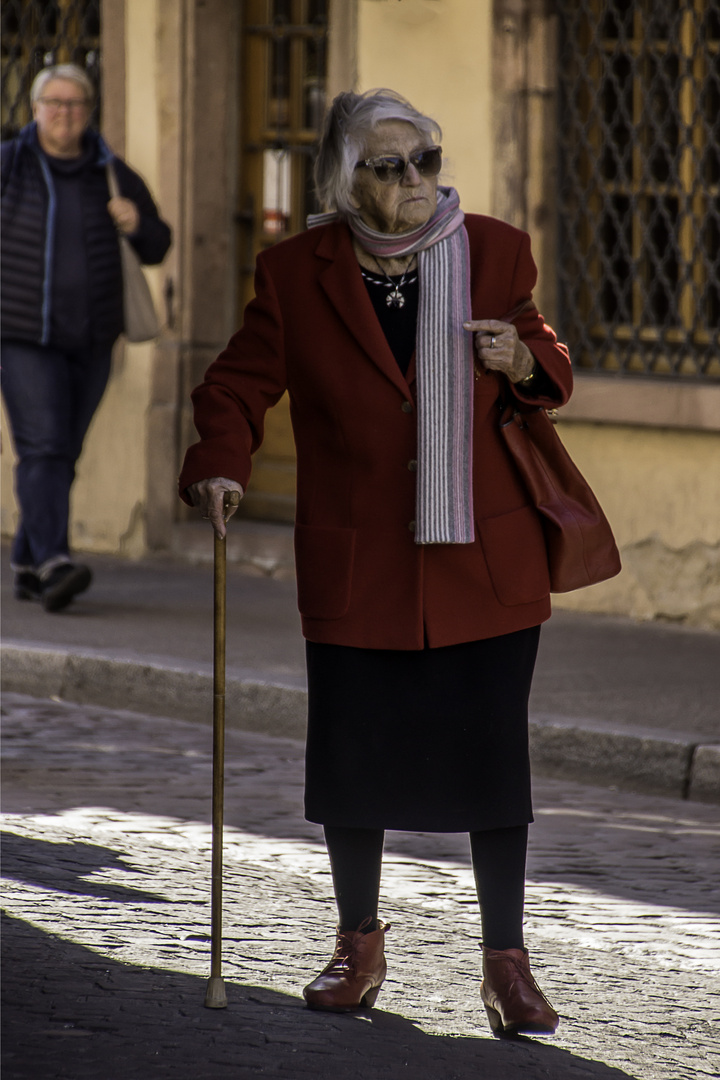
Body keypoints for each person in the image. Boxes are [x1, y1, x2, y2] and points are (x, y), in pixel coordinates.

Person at [179, 89, 572, 1036]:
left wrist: (519, 356)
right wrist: (222, 467)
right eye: (390, 164)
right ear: (342, 177)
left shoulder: (494, 249)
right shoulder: (294, 271)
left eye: (425, 159)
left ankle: (506, 965)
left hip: (483, 551)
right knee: (352, 758)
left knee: (492, 762)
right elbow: (234, 385)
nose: (415, 181)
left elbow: (550, 366)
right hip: (360, 558)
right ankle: (358, 945)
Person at [1, 64, 171, 612]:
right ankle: (54, 562)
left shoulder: (112, 173)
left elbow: (159, 244)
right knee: (44, 446)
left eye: (75, 104)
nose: (64, 113)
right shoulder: (10, 166)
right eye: (54, 103)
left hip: (94, 339)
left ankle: (27, 560)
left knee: (63, 451)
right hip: (22, 335)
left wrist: (136, 224)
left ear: (89, 111)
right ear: (35, 109)